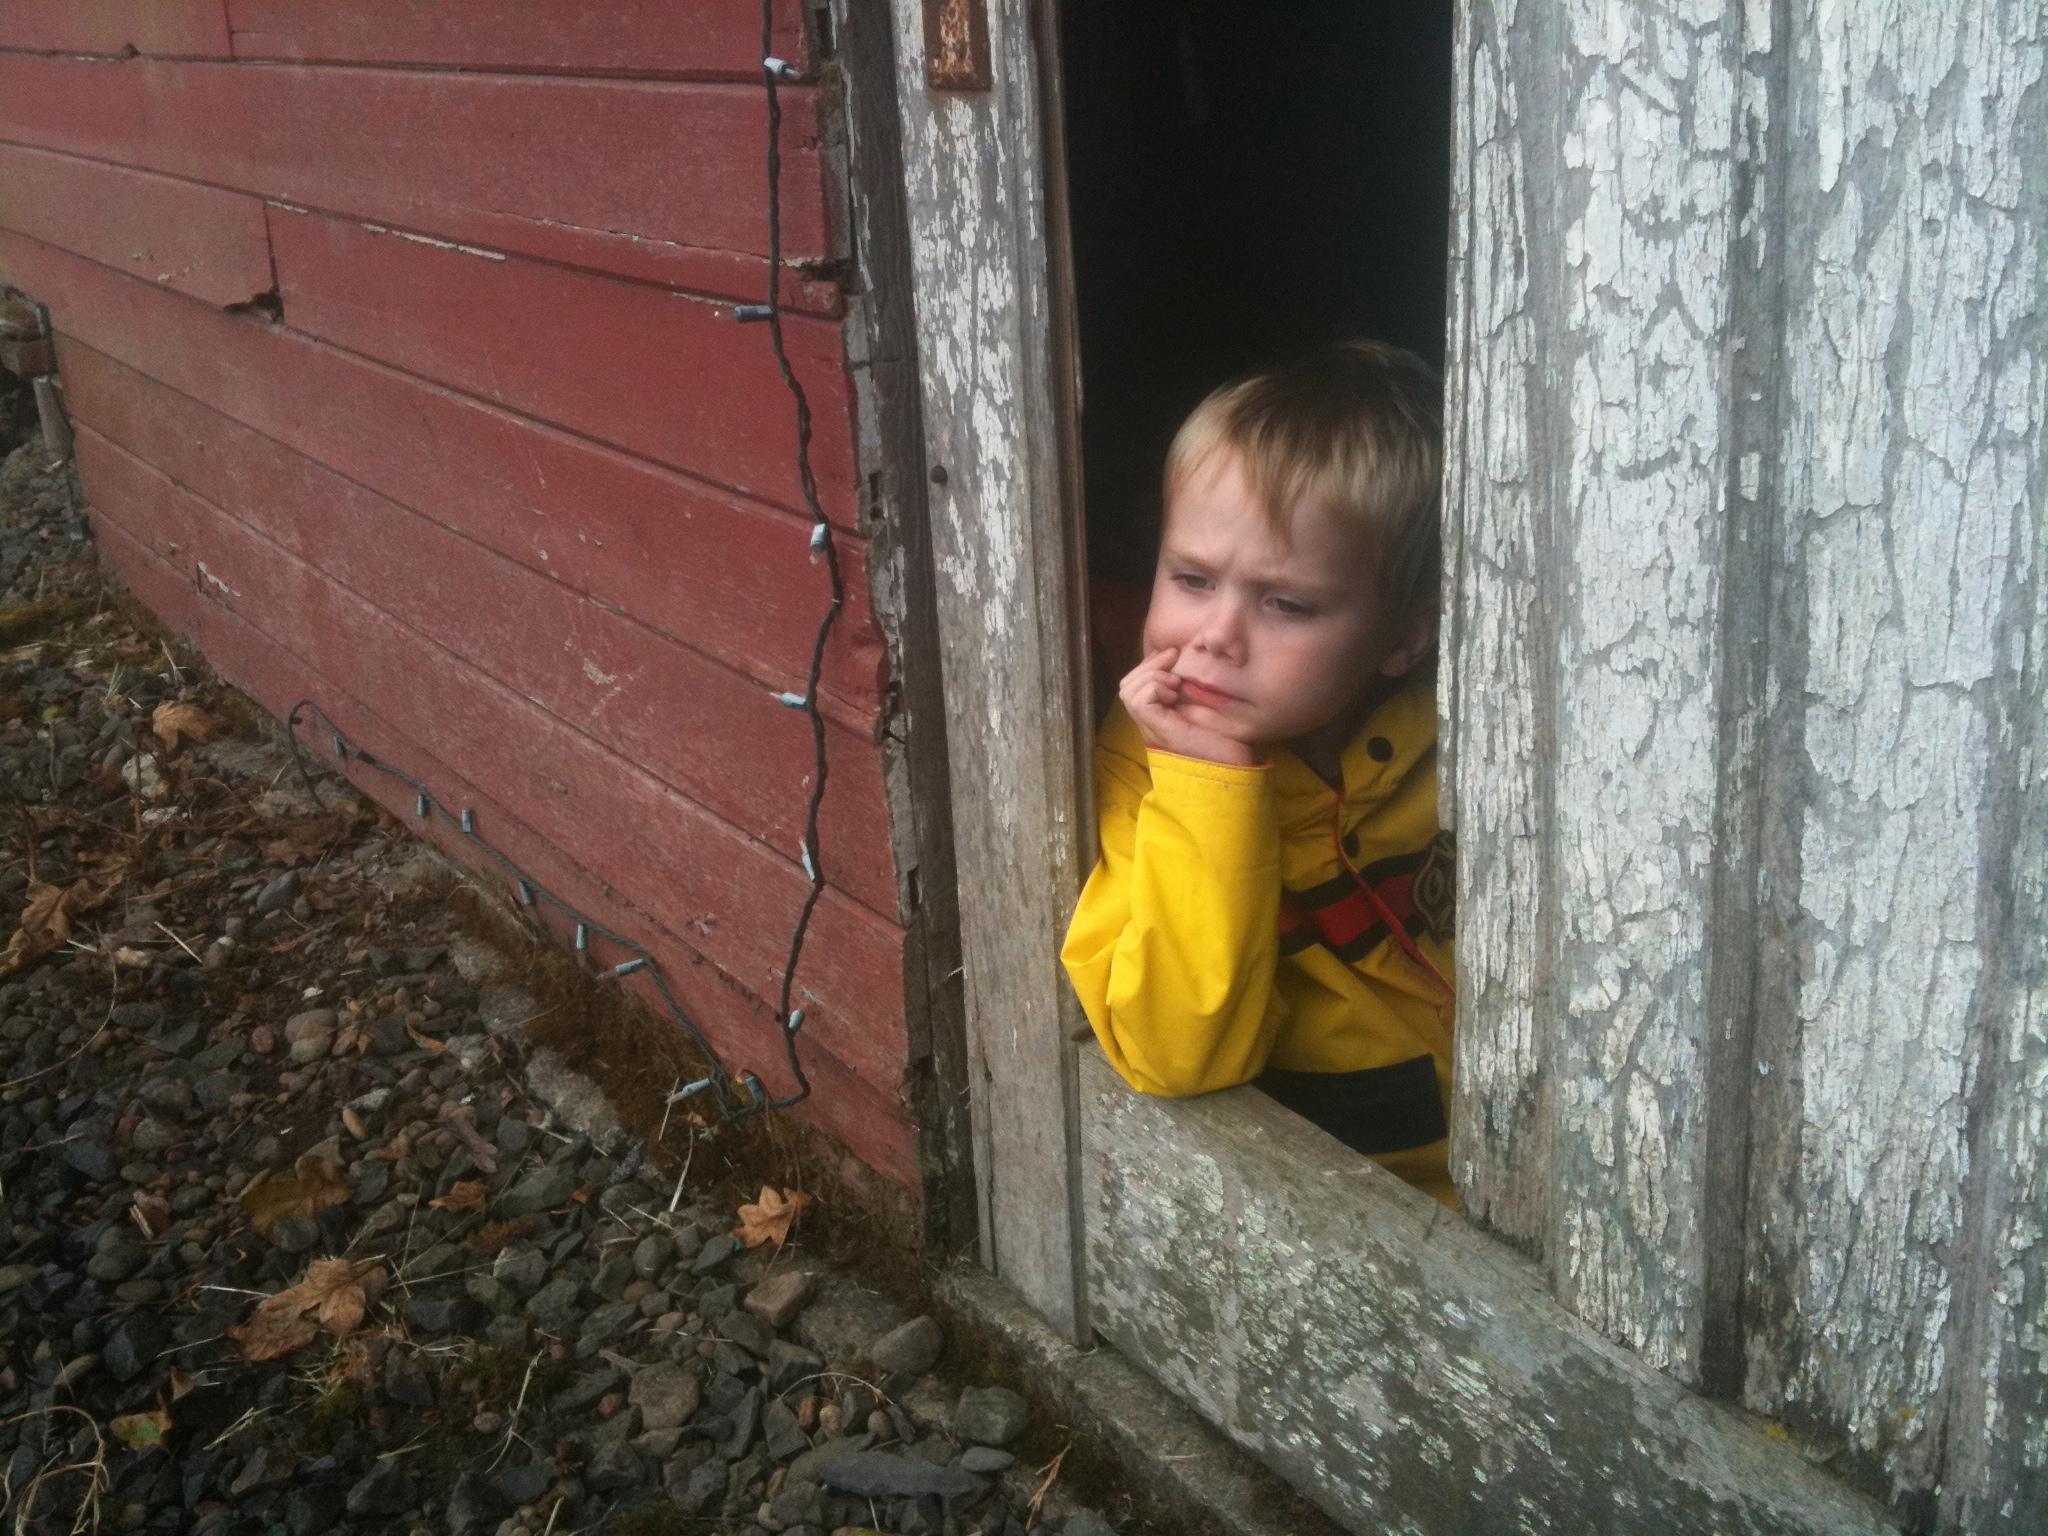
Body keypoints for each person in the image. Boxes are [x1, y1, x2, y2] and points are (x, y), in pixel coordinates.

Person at [1061, 341, 1458, 1206]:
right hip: (1348, 1203)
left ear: (1402, 638)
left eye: (1286, 604)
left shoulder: (1461, 745)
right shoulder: (1143, 774)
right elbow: (1173, 1054)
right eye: (1192, 578)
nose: (1215, 637)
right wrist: (1209, 787)